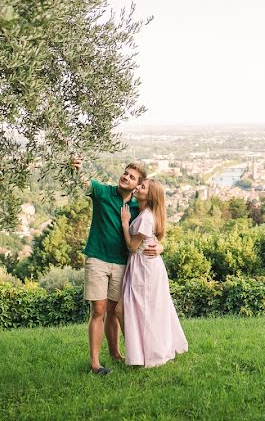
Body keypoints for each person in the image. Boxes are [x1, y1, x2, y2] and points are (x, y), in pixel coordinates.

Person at [72, 157, 162, 376]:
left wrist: (160, 247)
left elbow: (152, 229)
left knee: (114, 311)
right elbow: (86, 182)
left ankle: (116, 354)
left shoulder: (137, 205)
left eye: (132, 177)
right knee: (99, 310)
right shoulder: (104, 193)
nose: (126, 177)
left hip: (123, 263)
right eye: (125, 173)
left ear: (137, 185)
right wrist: (77, 169)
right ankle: (95, 363)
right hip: (98, 259)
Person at [120, 178, 188, 367]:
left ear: (149, 196)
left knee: (146, 310)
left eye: (142, 187)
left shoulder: (146, 217)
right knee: (144, 309)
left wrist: (125, 224)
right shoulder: (145, 213)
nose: (138, 187)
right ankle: (143, 352)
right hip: (144, 265)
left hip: (144, 267)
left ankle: (151, 354)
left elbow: (132, 247)